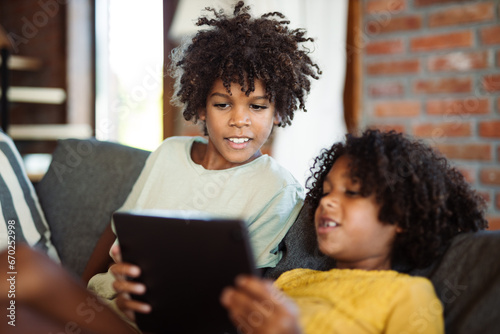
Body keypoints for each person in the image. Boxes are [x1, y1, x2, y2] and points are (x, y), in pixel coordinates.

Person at [88, 0, 321, 323]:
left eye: (257, 106)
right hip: (97, 304)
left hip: (152, 321)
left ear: (278, 111)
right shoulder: (168, 152)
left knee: (23, 270)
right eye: (223, 104)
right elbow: (117, 229)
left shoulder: (277, 189)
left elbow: (224, 291)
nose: (240, 120)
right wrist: (79, 287)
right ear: (200, 107)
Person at [220, 129, 487, 334]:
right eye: (325, 192)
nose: (327, 201)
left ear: (400, 217)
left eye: (353, 192)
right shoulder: (291, 280)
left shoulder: (408, 295)